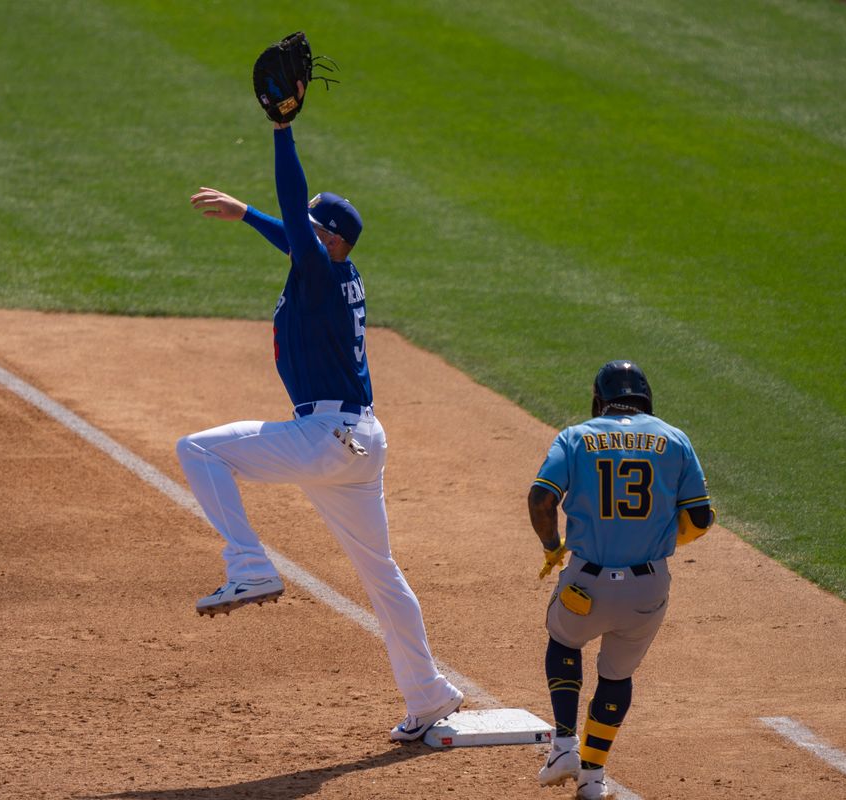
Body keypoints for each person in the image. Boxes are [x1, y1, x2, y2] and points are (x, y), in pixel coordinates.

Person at [177, 82, 463, 742]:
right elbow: (292, 233)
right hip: (358, 442)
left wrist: (282, 130)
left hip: (327, 437)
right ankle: (428, 696)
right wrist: (246, 213)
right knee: (381, 574)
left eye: (310, 226)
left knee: (199, 449)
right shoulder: (333, 268)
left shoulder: (322, 267)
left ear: (330, 240)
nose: (298, 230)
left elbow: (293, 218)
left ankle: (248, 565)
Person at [528, 360, 713, 799]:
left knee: (564, 640)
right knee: (616, 676)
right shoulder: (674, 439)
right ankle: (593, 778)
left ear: (599, 399)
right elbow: (701, 516)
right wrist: (662, 535)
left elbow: (541, 498)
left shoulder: (576, 437)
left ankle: (564, 745)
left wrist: (552, 546)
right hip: (647, 589)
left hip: (585, 584)